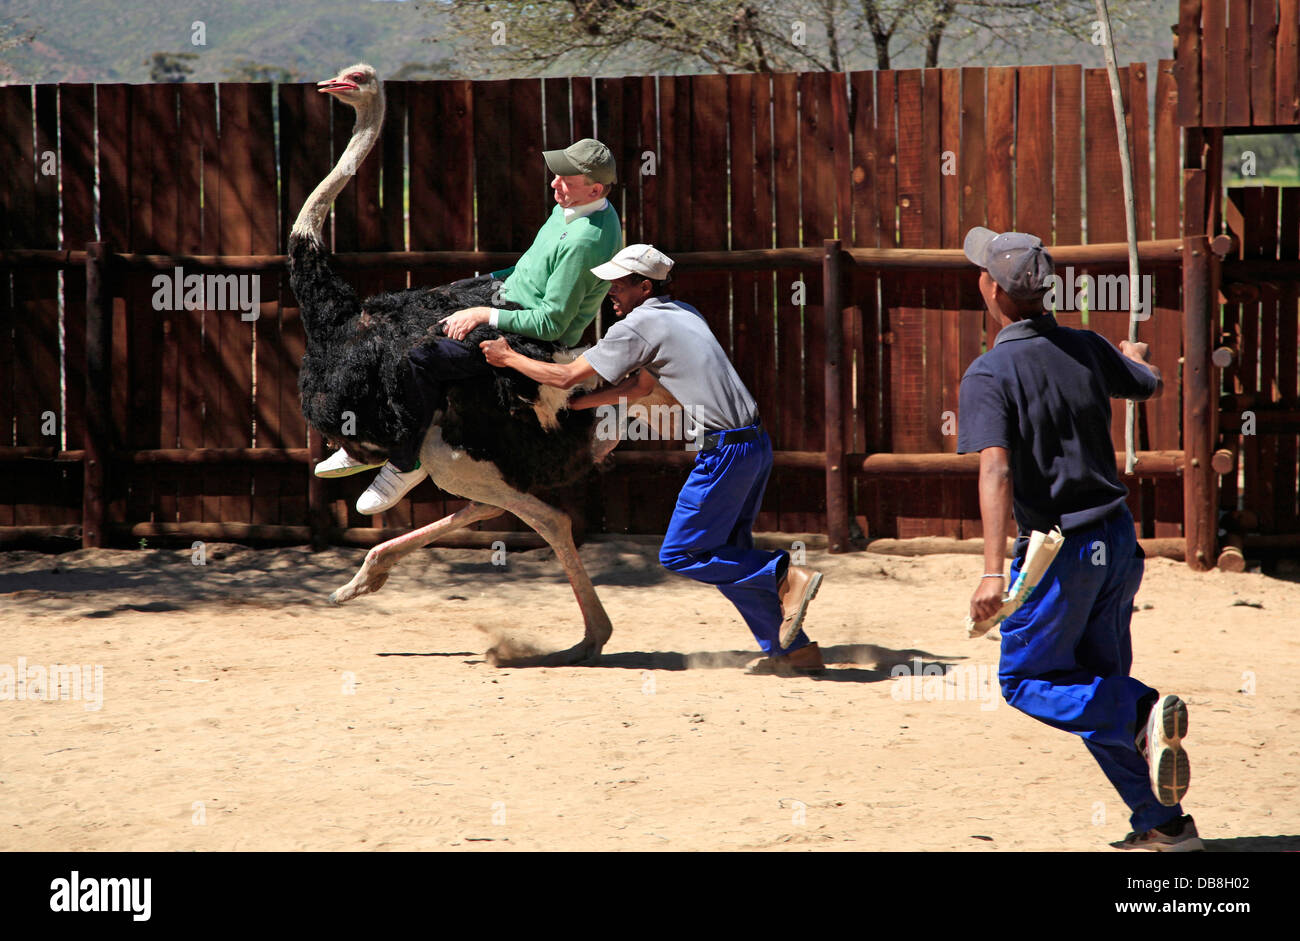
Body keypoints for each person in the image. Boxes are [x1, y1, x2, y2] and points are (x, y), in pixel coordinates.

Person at [957, 227, 1199, 851]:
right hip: (1118, 544)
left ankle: (1144, 715)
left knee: (1026, 682)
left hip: (1059, 551)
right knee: (1090, 688)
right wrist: (1135, 356)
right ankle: (1164, 825)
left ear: (992, 290)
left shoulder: (989, 373)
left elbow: (997, 469)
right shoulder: (1088, 348)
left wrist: (991, 573)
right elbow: (1148, 385)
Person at [479, 244, 826, 676]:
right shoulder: (681, 312)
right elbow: (642, 386)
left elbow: (566, 376)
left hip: (723, 453)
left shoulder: (638, 325)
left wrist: (508, 357)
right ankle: (793, 650)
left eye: (619, 284)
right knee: (728, 554)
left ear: (645, 286)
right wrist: (582, 407)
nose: (611, 292)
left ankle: (784, 577)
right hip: (754, 445)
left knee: (682, 553)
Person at [315, 138, 623, 514]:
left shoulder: (586, 240)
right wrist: (476, 285)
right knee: (392, 323)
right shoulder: (573, 207)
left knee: (418, 358)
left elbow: (550, 321)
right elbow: (530, 266)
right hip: (505, 298)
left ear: (594, 188)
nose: (554, 185)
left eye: (566, 181)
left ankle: (403, 463)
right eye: (556, 176)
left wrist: (481, 314)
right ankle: (361, 443)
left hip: (527, 332)